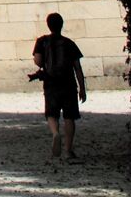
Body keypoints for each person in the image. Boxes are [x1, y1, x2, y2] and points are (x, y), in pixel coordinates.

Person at [31, 11, 87, 161]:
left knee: (51, 113)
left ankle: (55, 133)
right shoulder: (69, 43)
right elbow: (78, 68)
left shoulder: (42, 41)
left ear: (48, 25)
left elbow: (37, 61)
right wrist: (82, 88)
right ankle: (68, 150)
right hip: (68, 84)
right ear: (62, 25)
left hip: (50, 83)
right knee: (70, 117)